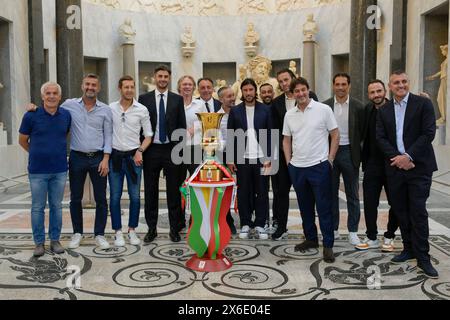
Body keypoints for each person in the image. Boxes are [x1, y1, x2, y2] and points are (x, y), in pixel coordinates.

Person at [27, 74, 113, 250]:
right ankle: (77, 233)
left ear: (99, 88)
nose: (90, 87)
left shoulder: (105, 109)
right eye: (87, 84)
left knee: (101, 199)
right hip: (77, 157)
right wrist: (33, 107)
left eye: (94, 85)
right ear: (82, 86)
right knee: (75, 198)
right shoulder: (69, 105)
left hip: (98, 157)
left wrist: (106, 158)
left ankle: (99, 234)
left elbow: (109, 135)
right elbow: (50, 107)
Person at [376, 71, 439, 279]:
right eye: (396, 83)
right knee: (401, 210)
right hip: (395, 169)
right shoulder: (384, 110)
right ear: (390, 86)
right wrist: (398, 158)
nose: (400, 85)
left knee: (418, 211)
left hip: (419, 168)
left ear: (408, 83)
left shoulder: (423, 104)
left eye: (404, 81)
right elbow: (381, 138)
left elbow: (428, 133)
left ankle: (423, 257)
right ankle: (408, 248)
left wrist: (409, 156)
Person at [283, 77, 339, 264]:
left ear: (308, 89)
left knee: (324, 207)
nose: (300, 93)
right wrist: (289, 162)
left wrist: (330, 159)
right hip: (298, 168)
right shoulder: (289, 115)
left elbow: (335, 134)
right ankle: (311, 239)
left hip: (319, 166)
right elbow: (286, 140)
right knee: (305, 207)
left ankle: (328, 244)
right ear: (292, 94)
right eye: (296, 91)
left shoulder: (324, 110)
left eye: (303, 90)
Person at [19, 82, 71, 257]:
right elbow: (22, 140)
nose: (51, 96)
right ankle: (39, 243)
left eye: (54, 93)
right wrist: (36, 152)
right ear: (42, 97)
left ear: (59, 96)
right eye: (47, 93)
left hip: (59, 170)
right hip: (37, 171)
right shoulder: (30, 116)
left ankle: (55, 240)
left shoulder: (66, 115)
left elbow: (65, 135)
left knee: (56, 206)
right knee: (37, 207)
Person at [138, 65, 187, 243]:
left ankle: (174, 229)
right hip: (151, 150)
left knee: (174, 191)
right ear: (155, 77)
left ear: (169, 78)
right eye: (160, 76)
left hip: (171, 150)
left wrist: (179, 152)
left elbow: (181, 125)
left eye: (166, 76)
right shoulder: (144, 99)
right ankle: (152, 229)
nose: (163, 79)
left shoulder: (177, 99)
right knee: (150, 191)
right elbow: (140, 126)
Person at [270, 69, 318, 241]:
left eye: (286, 80)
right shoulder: (276, 103)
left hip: (306, 156)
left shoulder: (309, 96)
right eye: (280, 81)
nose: (284, 84)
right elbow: (275, 132)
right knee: (281, 193)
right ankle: (281, 227)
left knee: (306, 195)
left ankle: (309, 231)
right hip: (284, 157)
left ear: (293, 79)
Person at [109, 76, 153, 247]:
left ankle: (132, 230)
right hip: (115, 158)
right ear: (119, 88)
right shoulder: (110, 108)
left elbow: (149, 135)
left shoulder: (141, 109)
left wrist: (140, 151)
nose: (129, 90)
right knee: (115, 196)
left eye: (131, 87)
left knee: (135, 196)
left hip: (134, 158)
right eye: (126, 87)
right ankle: (118, 231)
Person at [355, 80, 399, 252]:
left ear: (385, 91)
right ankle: (371, 236)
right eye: (372, 92)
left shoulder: (396, 109)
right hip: (372, 164)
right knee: (369, 203)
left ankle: (389, 236)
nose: (376, 95)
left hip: (393, 164)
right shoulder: (367, 110)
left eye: (379, 91)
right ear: (368, 95)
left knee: (395, 202)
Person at [227, 78, 272, 240]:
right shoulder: (235, 110)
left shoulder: (266, 110)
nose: (248, 93)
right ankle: (245, 223)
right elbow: (231, 135)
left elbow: (270, 134)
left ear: (255, 91)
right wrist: (231, 159)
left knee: (262, 192)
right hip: (243, 159)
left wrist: (269, 157)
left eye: (251, 90)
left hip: (262, 159)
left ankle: (260, 224)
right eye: (245, 90)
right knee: (243, 192)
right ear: (242, 92)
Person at [323, 73, 365, 245]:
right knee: (330, 194)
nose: (340, 87)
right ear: (333, 85)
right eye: (337, 84)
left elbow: (363, 132)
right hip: (330, 153)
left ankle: (353, 231)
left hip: (350, 152)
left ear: (349, 86)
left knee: (352, 194)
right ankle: (333, 228)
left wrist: (359, 150)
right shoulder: (325, 106)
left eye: (344, 84)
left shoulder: (359, 106)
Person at [217, 86, 237, 234]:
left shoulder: (240, 112)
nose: (232, 98)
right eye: (228, 96)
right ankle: (227, 220)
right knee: (224, 191)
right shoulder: (216, 117)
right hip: (223, 157)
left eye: (233, 95)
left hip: (243, 155)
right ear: (221, 99)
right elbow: (217, 140)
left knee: (242, 190)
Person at [426, 44, 448, 124]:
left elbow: (444, 72)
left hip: (445, 80)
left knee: (441, 98)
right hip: (443, 79)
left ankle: (444, 117)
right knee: (440, 98)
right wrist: (433, 76)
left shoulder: (448, 60)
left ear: (446, 51)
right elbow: (442, 71)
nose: (442, 52)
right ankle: (444, 116)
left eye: (442, 51)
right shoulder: (446, 61)